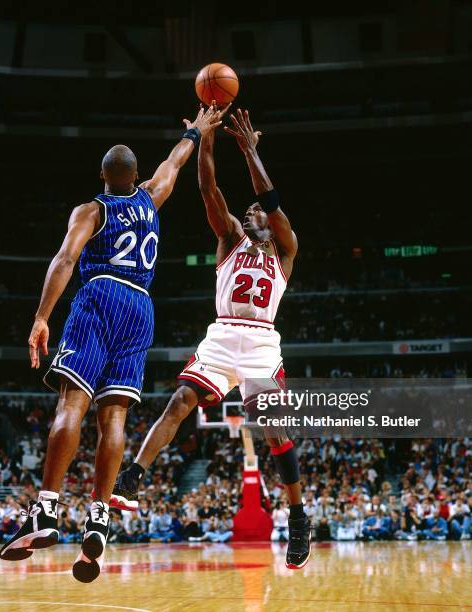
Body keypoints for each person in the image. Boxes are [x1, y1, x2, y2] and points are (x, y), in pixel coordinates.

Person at [0, 105, 224, 584]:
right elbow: (175, 164)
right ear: (136, 176)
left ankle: (46, 509)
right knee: (114, 416)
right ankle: (98, 517)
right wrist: (195, 130)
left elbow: (64, 260)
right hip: (141, 307)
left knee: (72, 402)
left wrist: (42, 317)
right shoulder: (152, 197)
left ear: (101, 176)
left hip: (101, 294)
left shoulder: (92, 210)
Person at [109, 108, 311, 570]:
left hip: (261, 340)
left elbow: (272, 200)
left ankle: (297, 516)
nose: (250, 211)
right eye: (247, 211)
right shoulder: (230, 239)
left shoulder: (286, 248)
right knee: (181, 399)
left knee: (273, 425)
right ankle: (134, 475)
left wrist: (250, 150)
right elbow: (207, 189)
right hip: (222, 333)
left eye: (255, 210)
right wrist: (206, 140)